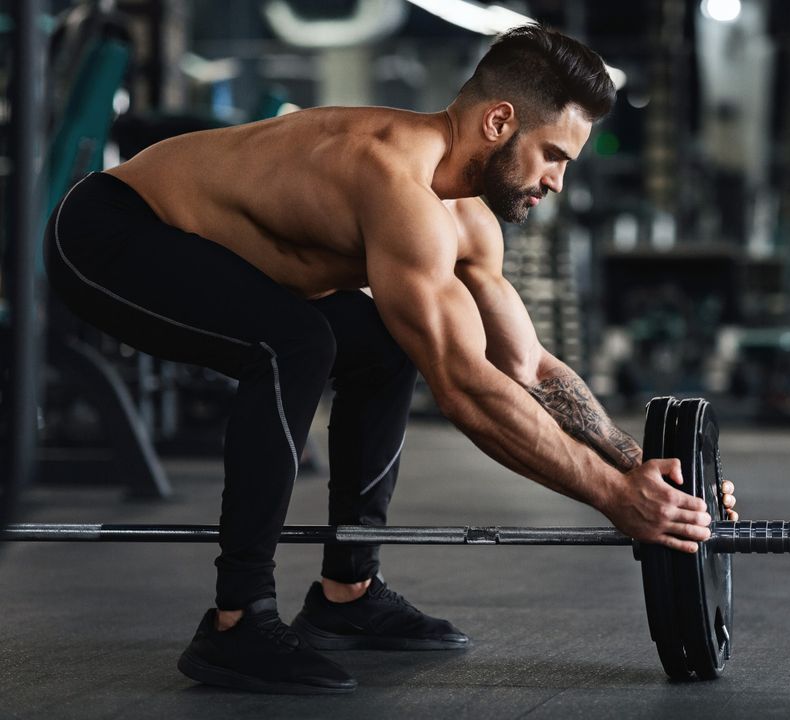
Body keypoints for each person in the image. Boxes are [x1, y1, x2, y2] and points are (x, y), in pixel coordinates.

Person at [43, 24, 738, 695]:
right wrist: (614, 501)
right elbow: (465, 388)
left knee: (379, 342)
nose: (556, 181)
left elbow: (529, 366)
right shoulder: (390, 176)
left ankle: (347, 592)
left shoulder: (468, 219)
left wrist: (643, 472)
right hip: (113, 230)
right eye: (552, 154)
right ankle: (235, 621)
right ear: (499, 122)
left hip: (211, 259)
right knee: (297, 341)